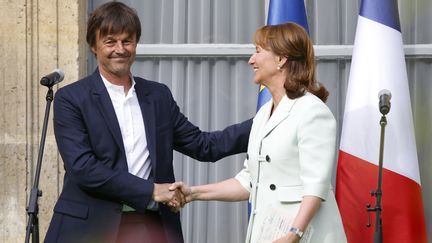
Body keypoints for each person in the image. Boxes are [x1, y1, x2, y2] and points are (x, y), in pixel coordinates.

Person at [44, 2, 252, 243]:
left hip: (149, 226)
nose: (120, 49)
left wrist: (266, 122)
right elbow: (83, 168)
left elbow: (203, 145)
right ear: (94, 46)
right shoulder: (71, 98)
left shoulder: (158, 96)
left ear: (136, 44)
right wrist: (152, 190)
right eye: (110, 41)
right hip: (88, 228)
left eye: (127, 41)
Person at [171, 23, 347, 243]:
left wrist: (294, 234)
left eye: (258, 51)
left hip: (307, 236)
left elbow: (316, 186)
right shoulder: (263, 114)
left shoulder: (312, 111)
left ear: (281, 59)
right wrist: (193, 193)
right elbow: (249, 182)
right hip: (267, 233)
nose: (251, 60)